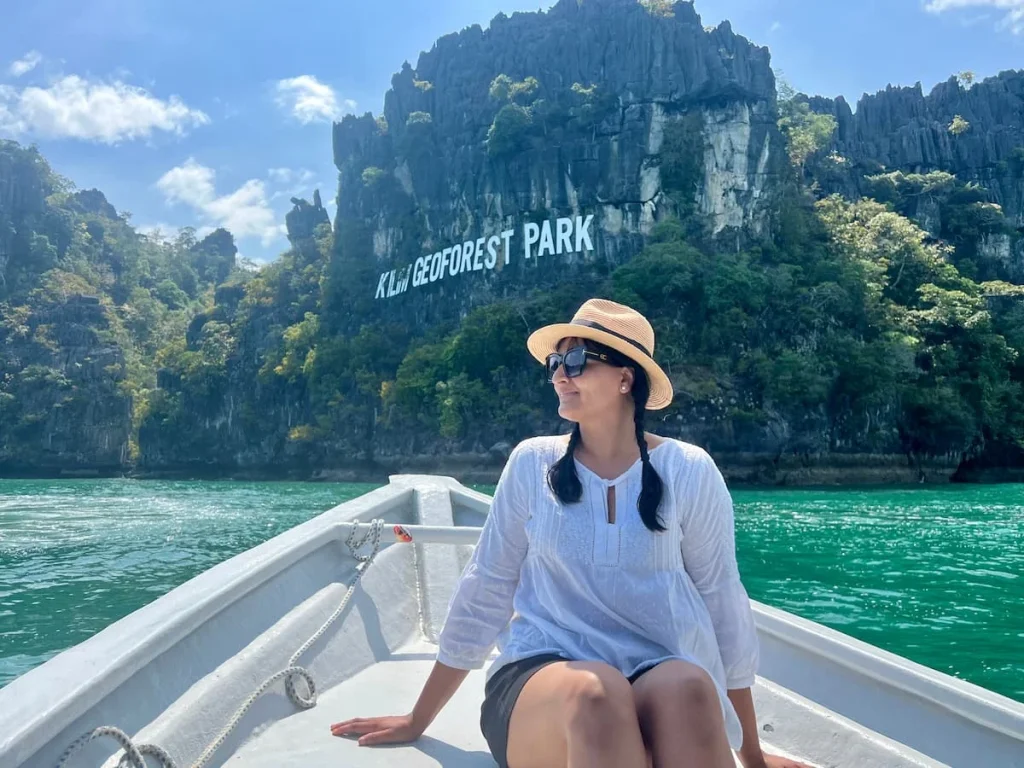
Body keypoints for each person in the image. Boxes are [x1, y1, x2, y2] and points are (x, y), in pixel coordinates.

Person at [331, 298, 812, 768]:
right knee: (597, 692)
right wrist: (418, 718)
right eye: (555, 363)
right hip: (543, 677)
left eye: (577, 361)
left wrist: (752, 755)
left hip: (655, 673)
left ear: (626, 378)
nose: (560, 375)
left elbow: (721, 601)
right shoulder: (532, 463)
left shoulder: (688, 470)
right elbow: (488, 587)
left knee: (690, 688)